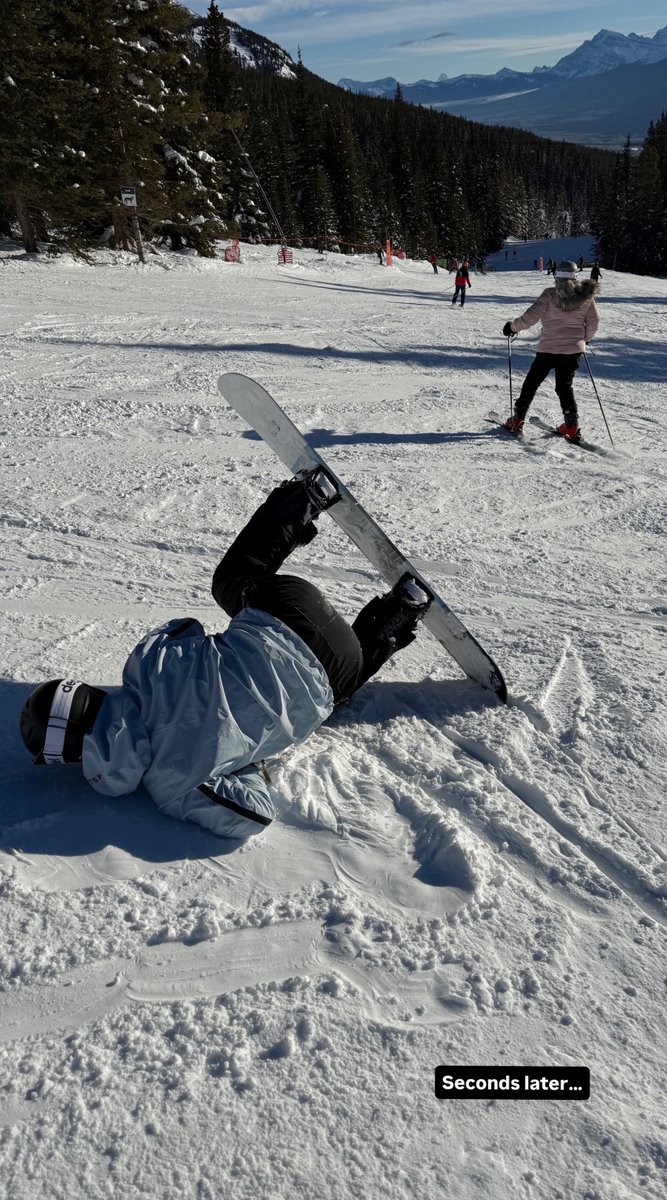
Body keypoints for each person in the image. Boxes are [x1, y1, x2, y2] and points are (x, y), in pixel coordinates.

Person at [19, 470, 431, 841]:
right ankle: (305, 497)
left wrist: (238, 756)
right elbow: (186, 628)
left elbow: (253, 815)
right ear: (89, 692)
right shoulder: (144, 665)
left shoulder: (173, 786)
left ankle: (401, 610)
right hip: (291, 605)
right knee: (231, 581)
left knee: (322, 700)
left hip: (341, 663)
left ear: (72, 755)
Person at [502, 259, 599, 440]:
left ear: (556, 276)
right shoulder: (586, 297)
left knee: (531, 383)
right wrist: (584, 339)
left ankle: (518, 419)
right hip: (572, 351)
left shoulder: (549, 295)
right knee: (564, 387)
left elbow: (529, 318)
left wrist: (512, 328)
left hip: (548, 349)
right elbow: (594, 322)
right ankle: (571, 425)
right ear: (576, 276)